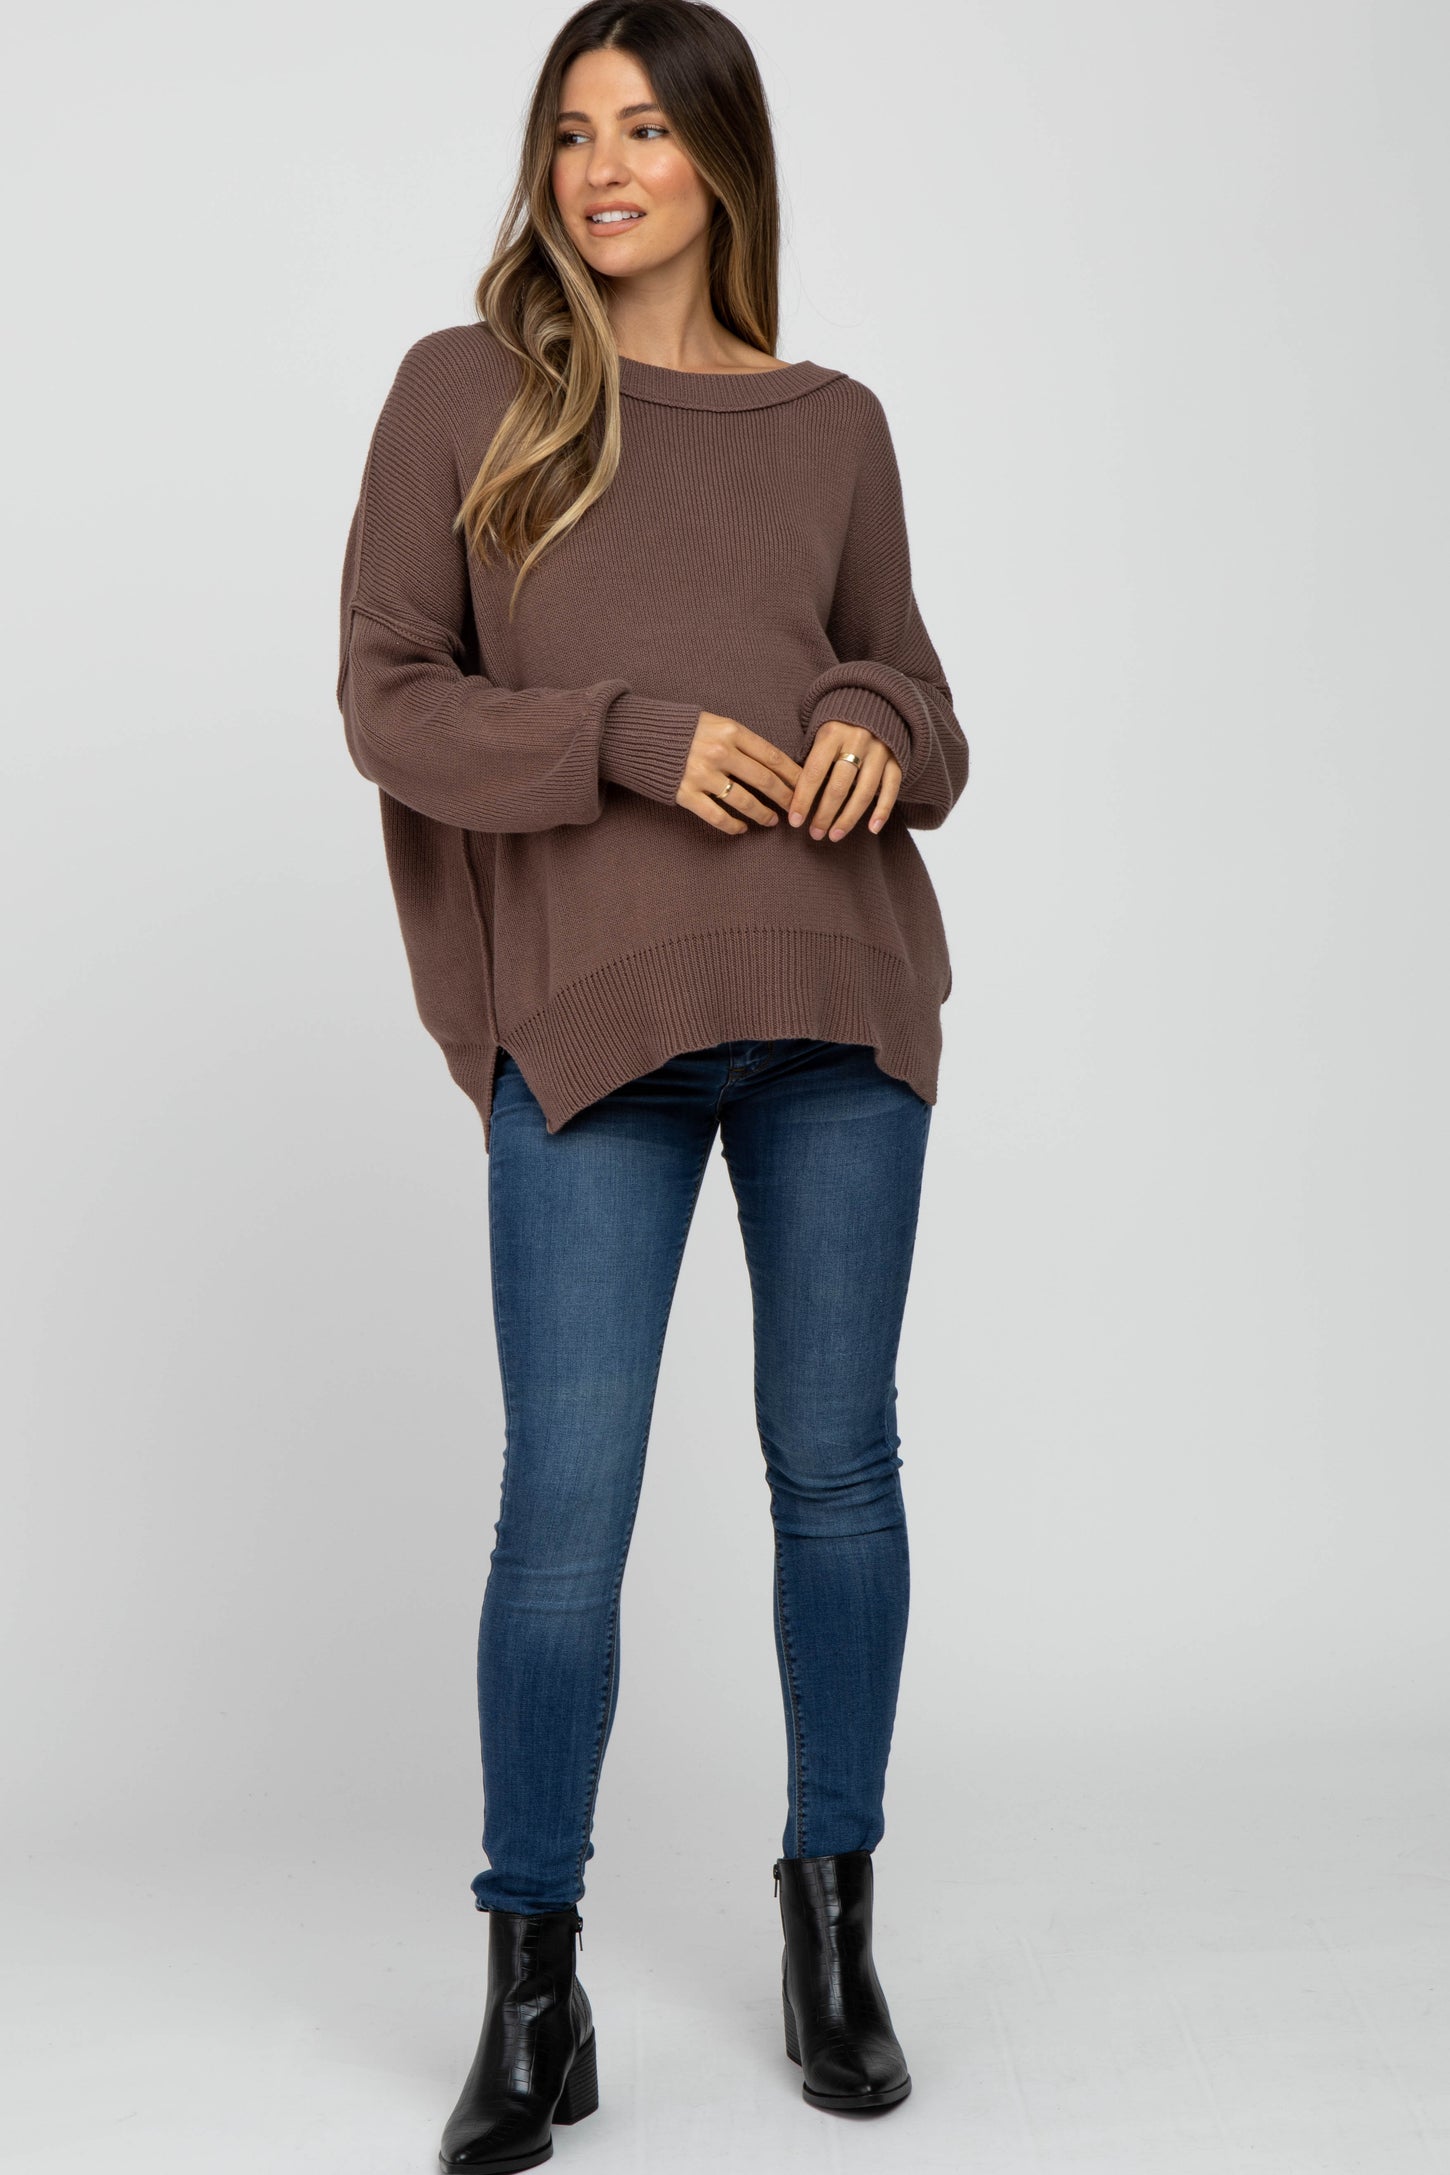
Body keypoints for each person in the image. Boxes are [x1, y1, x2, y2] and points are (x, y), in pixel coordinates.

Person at [336, 1, 968, 2164]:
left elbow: (926, 704)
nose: (600, 169)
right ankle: (534, 1987)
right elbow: (388, 699)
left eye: (642, 130)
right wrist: (615, 734)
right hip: (594, 1022)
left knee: (837, 1473)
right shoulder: (467, 392)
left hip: (835, 996)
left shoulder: (832, 422)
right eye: (569, 132)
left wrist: (870, 715)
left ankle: (830, 1928)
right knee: (565, 1515)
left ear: (719, 161)